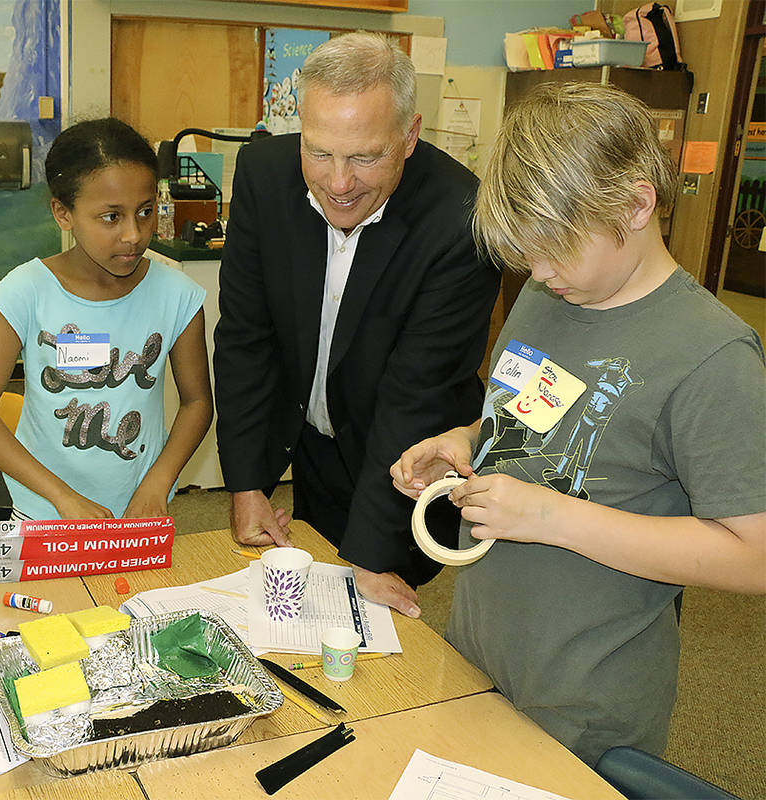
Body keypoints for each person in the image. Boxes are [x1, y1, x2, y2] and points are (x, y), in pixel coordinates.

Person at [391, 82, 766, 766]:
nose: (537, 271)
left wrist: (551, 518)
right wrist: (468, 444)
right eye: (527, 252)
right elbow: (533, 429)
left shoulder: (713, 357)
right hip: (481, 651)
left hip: (586, 700)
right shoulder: (548, 293)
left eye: (556, 248)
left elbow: (753, 552)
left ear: (636, 203)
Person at [214, 32, 499, 616]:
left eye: (365, 157)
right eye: (319, 152)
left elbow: (415, 396)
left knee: (369, 622)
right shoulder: (264, 175)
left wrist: (370, 556)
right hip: (310, 440)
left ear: (410, 135)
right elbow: (247, 339)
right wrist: (246, 485)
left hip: (399, 459)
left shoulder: (462, 218)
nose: (339, 183)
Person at [0, 118, 212, 521]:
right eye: (111, 217)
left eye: (145, 212)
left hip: (139, 510)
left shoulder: (176, 295)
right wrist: (62, 497)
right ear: (63, 212)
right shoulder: (26, 291)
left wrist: (158, 482)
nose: (133, 234)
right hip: (45, 510)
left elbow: (197, 402)